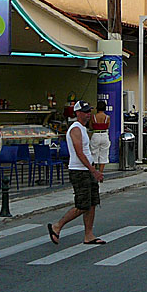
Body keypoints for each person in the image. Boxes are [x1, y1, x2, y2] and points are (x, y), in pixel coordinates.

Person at [47, 100, 105, 245]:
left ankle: (89, 235)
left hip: (87, 170)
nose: (88, 114)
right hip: (79, 171)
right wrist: (94, 171)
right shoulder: (76, 129)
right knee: (82, 204)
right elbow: (79, 153)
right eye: (85, 112)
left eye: (89, 111)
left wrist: (93, 170)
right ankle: (57, 226)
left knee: (92, 203)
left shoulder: (83, 129)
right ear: (77, 113)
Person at [89, 100, 110, 173]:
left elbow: (91, 126)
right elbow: (107, 126)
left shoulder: (93, 117)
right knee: (104, 154)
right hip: (104, 135)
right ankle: (100, 173)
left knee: (94, 153)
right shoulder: (107, 117)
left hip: (96, 135)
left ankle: (94, 172)